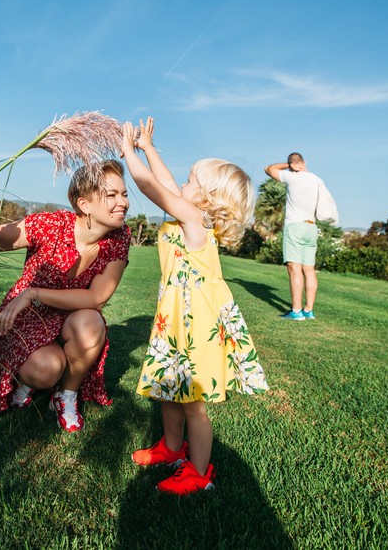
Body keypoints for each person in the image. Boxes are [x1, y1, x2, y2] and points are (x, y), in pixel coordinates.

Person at [120, 117, 269, 495]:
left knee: (193, 404)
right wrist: (149, 148)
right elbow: (168, 186)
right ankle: (171, 449)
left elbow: (154, 189)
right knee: (169, 388)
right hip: (177, 319)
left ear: (207, 198)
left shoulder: (194, 221)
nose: (182, 185)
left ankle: (199, 474)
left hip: (196, 324)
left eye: (191, 181)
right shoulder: (189, 213)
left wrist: (127, 153)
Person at [0, 160, 131, 432]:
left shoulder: (120, 237)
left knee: (92, 323)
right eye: (111, 195)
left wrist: (34, 292)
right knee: (46, 369)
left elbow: (97, 298)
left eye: (123, 194)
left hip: (67, 315)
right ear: (84, 204)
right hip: (24, 315)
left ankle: (66, 395)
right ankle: (27, 380)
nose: (122, 202)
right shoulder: (51, 224)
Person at [264, 153, 330, 320]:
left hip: (295, 227)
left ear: (292, 164)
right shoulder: (316, 179)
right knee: (309, 270)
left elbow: (268, 169)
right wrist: (296, 166)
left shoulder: (293, 177)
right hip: (311, 227)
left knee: (294, 270)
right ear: (305, 162)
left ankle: (296, 311)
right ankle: (309, 310)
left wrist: (289, 166)